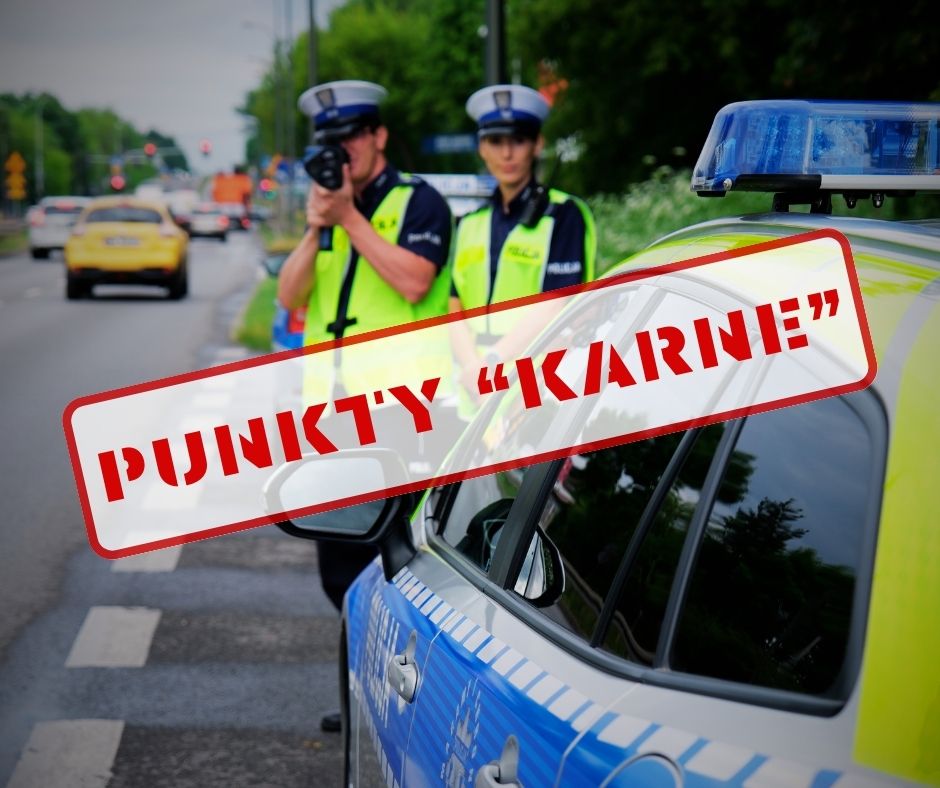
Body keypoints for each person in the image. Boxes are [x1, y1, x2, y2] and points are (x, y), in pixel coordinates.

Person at [278, 79, 453, 732]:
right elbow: (290, 297)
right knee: (339, 568)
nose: (341, 150)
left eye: (352, 135)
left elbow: (414, 280)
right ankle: (363, 695)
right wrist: (316, 227)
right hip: (333, 420)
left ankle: (401, 707)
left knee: (398, 566)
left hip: (401, 419)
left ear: (378, 136)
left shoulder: (420, 202)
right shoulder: (327, 210)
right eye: (330, 141)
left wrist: (350, 218)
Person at [449, 84, 596, 411]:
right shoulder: (470, 222)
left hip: (537, 395)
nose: (506, 154)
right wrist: (473, 370)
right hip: (475, 394)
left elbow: (557, 301)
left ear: (537, 144)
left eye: (517, 140)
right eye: (495, 142)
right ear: (482, 148)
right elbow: (455, 307)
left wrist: (492, 363)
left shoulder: (564, 214)